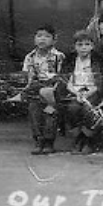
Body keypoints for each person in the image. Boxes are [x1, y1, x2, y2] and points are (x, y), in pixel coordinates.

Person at [59, 30, 103, 154]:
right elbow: (66, 81)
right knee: (73, 108)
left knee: (88, 108)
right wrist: (76, 94)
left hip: (93, 91)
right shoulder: (70, 60)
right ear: (75, 47)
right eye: (80, 45)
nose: (83, 48)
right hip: (74, 91)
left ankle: (88, 139)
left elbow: (100, 82)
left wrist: (87, 94)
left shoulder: (98, 60)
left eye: (87, 44)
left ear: (92, 46)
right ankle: (78, 138)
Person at [21, 25, 65, 155]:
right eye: (39, 36)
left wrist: (52, 90)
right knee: (34, 109)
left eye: (47, 36)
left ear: (54, 40)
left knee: (50, 111)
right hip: (36, 87)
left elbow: (61, 76)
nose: (42, 39)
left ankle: (49, 141)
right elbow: (29, 77)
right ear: (34, 39)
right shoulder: (30, 57)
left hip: (53, 89)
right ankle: (38, 140)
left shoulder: (59, 56)